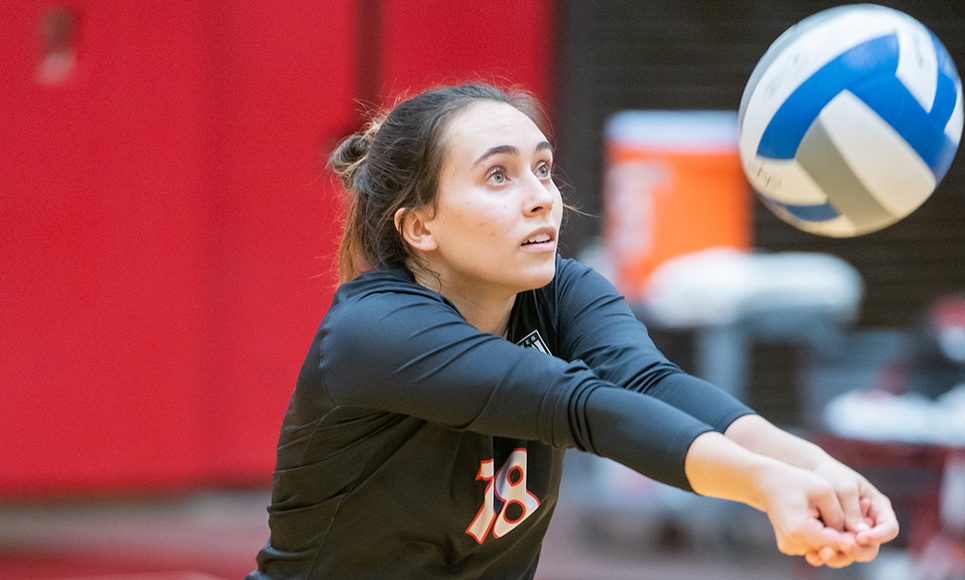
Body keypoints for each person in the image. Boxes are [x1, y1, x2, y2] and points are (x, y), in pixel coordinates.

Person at [246, 83, 898, 579]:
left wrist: (815, 468)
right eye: (498, 175)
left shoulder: (561, 288)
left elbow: (650, 383)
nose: (540, 196)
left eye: (542, 168)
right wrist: (764, 487)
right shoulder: (375, 332)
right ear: (420, 227)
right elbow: (582, 406)